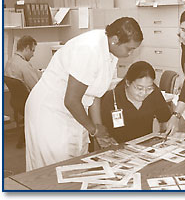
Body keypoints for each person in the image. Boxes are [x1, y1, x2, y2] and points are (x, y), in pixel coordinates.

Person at [24, 17, 143, 171]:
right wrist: (93, 129)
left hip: (73, 110)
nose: (131, 53)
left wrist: (98, 129)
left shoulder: (110, 49)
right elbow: (71, 100)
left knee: (77, 164)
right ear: (115, 40)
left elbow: (94, 93)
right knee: (55, 169)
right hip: (51, 111)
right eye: (130, 49)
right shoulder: (89, 49)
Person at [100, 61, 172, 143]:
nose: (144, 93)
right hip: (119, 148)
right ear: (128, 82)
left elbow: (165, 119)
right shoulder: (112, 98)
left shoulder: (154, 93)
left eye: (149, 88)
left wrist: (163, 138)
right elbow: (104, 133)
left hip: (145, 145)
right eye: (139, 88)